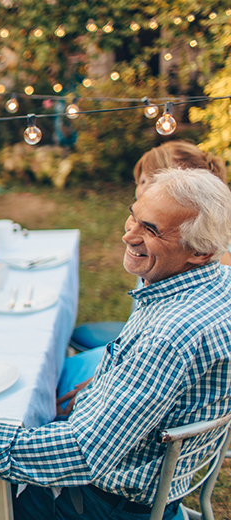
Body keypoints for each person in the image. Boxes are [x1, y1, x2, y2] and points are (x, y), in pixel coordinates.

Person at [0, 168, 231, 520]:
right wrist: (111, 384)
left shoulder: (169, 336)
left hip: (106, 506)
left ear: (200, 252)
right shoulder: (216, 282)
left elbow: (84, 453)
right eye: (134, 217)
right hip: (149, 475)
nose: (128, 235)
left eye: (150, 229)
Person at [56, 140, 231, 416]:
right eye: (141, 182)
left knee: (47, 377)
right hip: (139, 352)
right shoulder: (173, 260)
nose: (143, 189)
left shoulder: (208, 265)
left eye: (150, 180)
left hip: (152, 361)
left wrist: (103, 388)